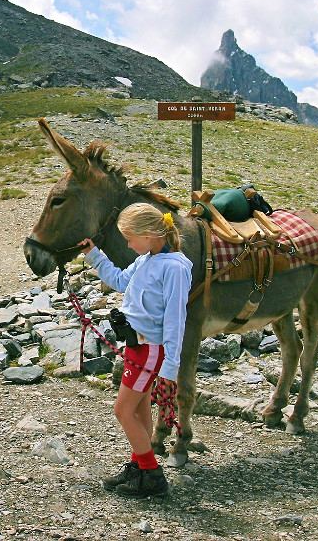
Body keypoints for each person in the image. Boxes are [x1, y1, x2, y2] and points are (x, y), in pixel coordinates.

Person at [80, 203, 192, 497]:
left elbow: (176, 320)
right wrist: (93, 255)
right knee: (140, 406)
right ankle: (140, 467)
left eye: (130, 238)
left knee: (123, 410)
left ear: (149, 233)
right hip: (135, 345)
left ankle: (152, 476)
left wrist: (170, 367)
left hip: (150, 350)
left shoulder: (175, 268)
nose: (128, 244)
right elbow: (118, 280)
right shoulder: (146, 259)